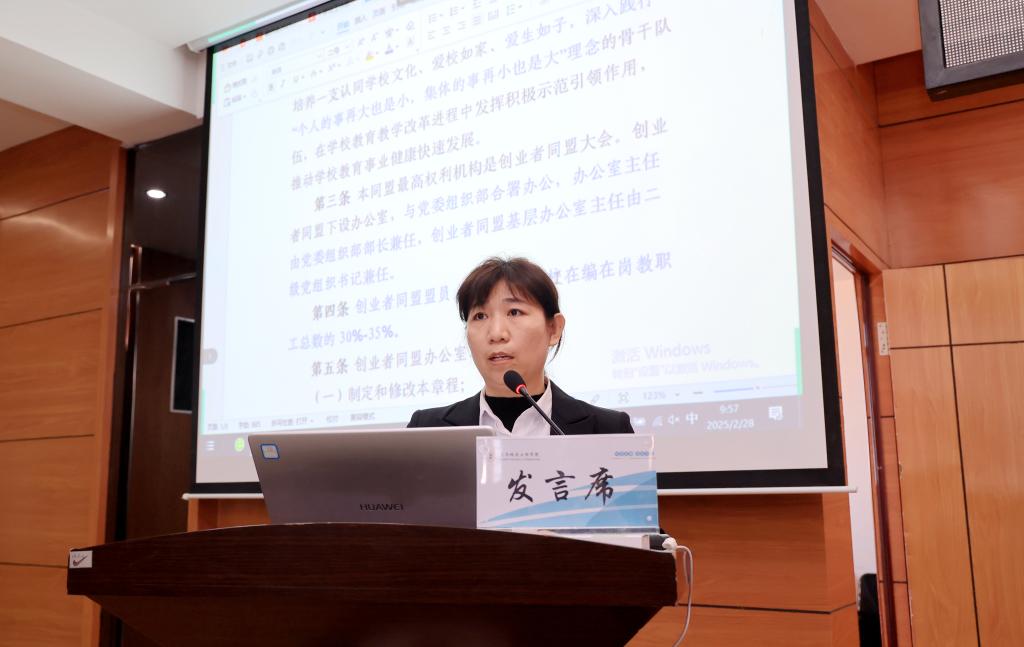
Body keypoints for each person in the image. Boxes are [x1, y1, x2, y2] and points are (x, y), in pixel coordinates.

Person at [407, 257, 634, 435]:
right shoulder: (426, 430)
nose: (496, 334)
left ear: (554, 329)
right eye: (480, 316)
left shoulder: (607, 429)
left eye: (514, 312)